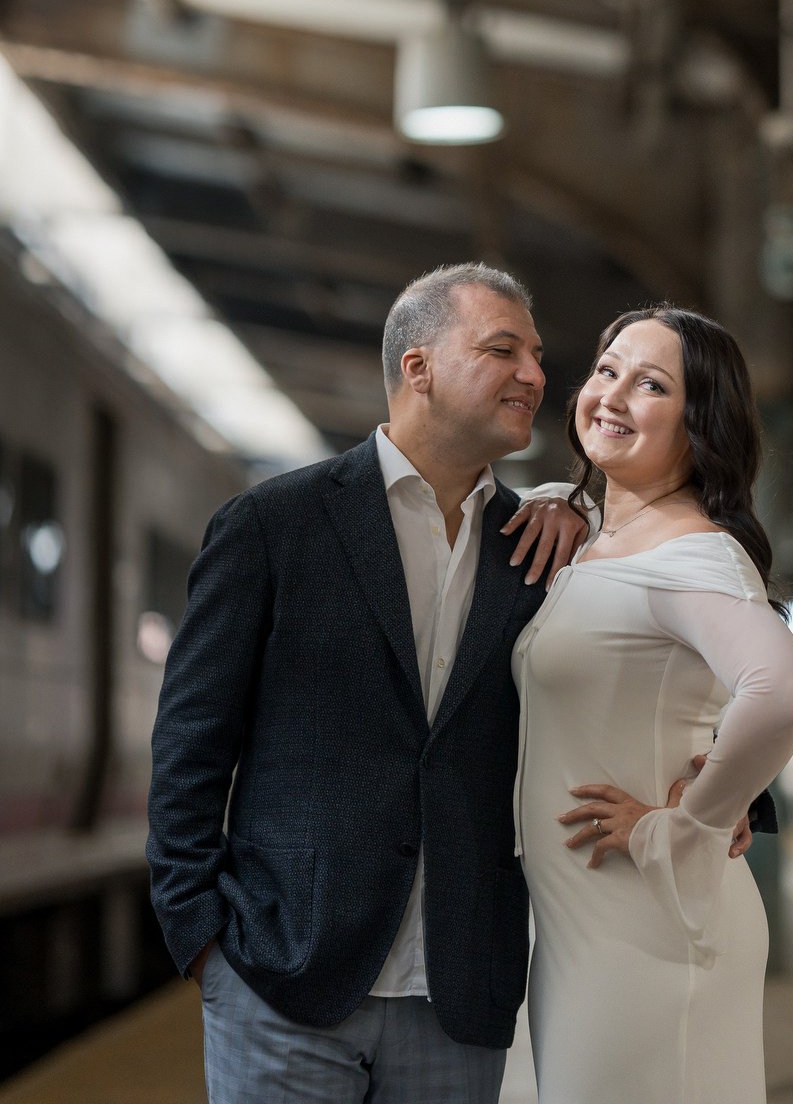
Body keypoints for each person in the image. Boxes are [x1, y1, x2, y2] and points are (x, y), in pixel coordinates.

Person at [146, 263, 590, 1103]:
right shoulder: (273, 525)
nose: (535, 375)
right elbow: (189, 746)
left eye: (535, 355)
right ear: (416, 369)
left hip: (460, 990)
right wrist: (202, 940)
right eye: (502, 350)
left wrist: (720, 793)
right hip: (283, 978)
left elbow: (648, 672)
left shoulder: (539, 547)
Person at [513, 305, 793, 1104]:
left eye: (650, 385)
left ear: (701, 423)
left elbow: (782, 693)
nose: (611, 395)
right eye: (606, 370)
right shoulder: (602, 538)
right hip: (588, 919)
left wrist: (693, 819)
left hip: (646, 916)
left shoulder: (691, 554)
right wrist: (560, 496)